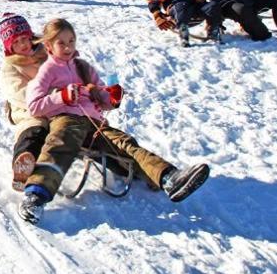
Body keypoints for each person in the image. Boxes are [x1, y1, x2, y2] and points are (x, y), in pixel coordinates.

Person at [19, 18, 209, 223]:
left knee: (125, 143)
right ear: (48, 46)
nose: (68, 47)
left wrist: (111, 97)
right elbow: (34, 106)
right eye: (61, 43)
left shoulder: (83, 68)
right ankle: (36, 196)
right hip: (67, 119)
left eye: (71, 41)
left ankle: (168, 178)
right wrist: (61, 97)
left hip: (94, 122)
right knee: (60, 145)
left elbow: (102, 99)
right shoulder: (48, 70)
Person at [0, 13, 51, 191]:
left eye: (24, 39)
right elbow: (21, 94)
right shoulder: (10, 66)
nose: (22, 45)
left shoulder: (46, 52)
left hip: (60, 105)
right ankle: (23, 165)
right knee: (35, 131)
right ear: (9, 47)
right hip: (29, 110)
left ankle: (120, 161)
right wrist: (51, 97)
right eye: (16, 42)